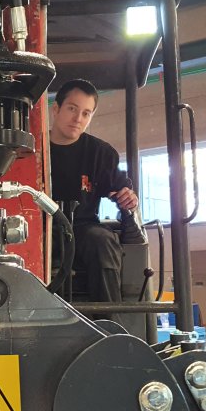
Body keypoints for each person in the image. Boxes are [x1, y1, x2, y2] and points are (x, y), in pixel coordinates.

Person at [49, 79, 138, 303]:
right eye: (72, 109)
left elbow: (121, 189)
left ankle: (109, 320)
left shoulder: (101, 153)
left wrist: (128, 198)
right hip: (35, 230)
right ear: (56, 109)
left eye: (86, 113)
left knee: (102, 241)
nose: (78, 118)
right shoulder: (30, 150)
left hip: (82, 230)